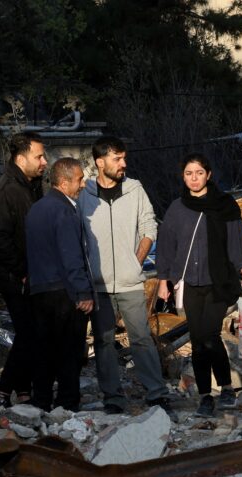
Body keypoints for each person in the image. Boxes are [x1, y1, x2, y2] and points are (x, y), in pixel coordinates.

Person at [155, 153, 242, 418]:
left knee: (210, 335)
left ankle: (226, 387)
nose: (194, 178)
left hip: (219, 281)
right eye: (189, 174)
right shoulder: (177, 208)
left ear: (208, 175)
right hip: (189, 283)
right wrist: (163, 280)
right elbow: (166, 246)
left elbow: (237, 241)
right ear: (183, 177)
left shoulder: (224, 204)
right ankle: (205, 396)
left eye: (199, 173)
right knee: (199, 341)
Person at [78, 136, 170, 414]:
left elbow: (149, 226)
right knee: (104, 342)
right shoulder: (84, 194)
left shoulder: (135, 189)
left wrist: (135, 261)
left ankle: (156, 394)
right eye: (117, 159)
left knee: (141, 338)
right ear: (100, 162)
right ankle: (113, 399)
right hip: (99, 285)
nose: (123, 164)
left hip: (130, 283)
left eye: (124, 158)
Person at [25, 158, 94, 412]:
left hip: (39, 290)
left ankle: (41, 400)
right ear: (64, 183)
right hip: (63, 291)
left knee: (44, 349)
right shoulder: (64, 211)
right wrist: (83, 292)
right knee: (69, 350)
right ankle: (67, 402)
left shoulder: (36, 209)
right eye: (79, 180)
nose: (83, 185)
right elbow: (71, 255)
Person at [0, 132, 46, 412]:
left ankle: (23, 390)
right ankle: (3, 392)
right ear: (21, 159)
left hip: (30, 275)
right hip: (16, 278)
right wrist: (22, 271)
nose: (44, 162)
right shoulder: (7, 190)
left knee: (31, 334)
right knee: (28, 334)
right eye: (39, 156)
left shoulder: (31, 186)